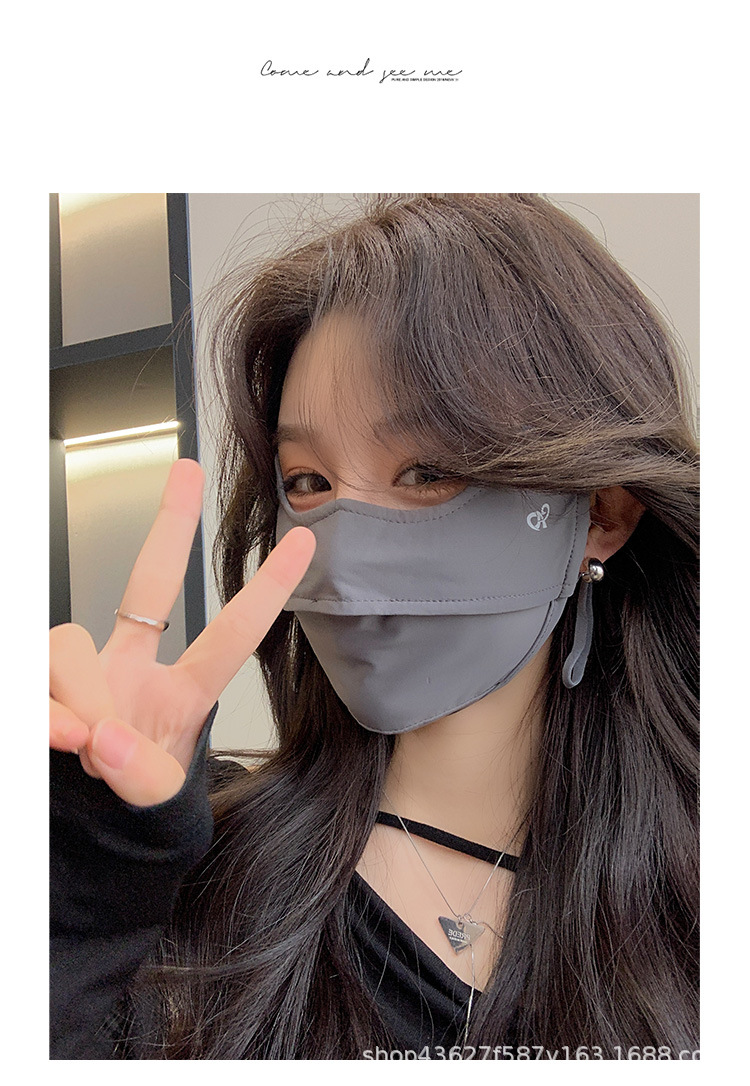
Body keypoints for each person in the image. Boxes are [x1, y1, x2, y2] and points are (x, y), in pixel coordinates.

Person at [49, 193, 699, 1060]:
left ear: (603, 514)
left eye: (427, 471)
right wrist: (80, 892)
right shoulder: (182, 883)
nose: (344, 560)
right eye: (308, 483)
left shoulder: (695, 887)